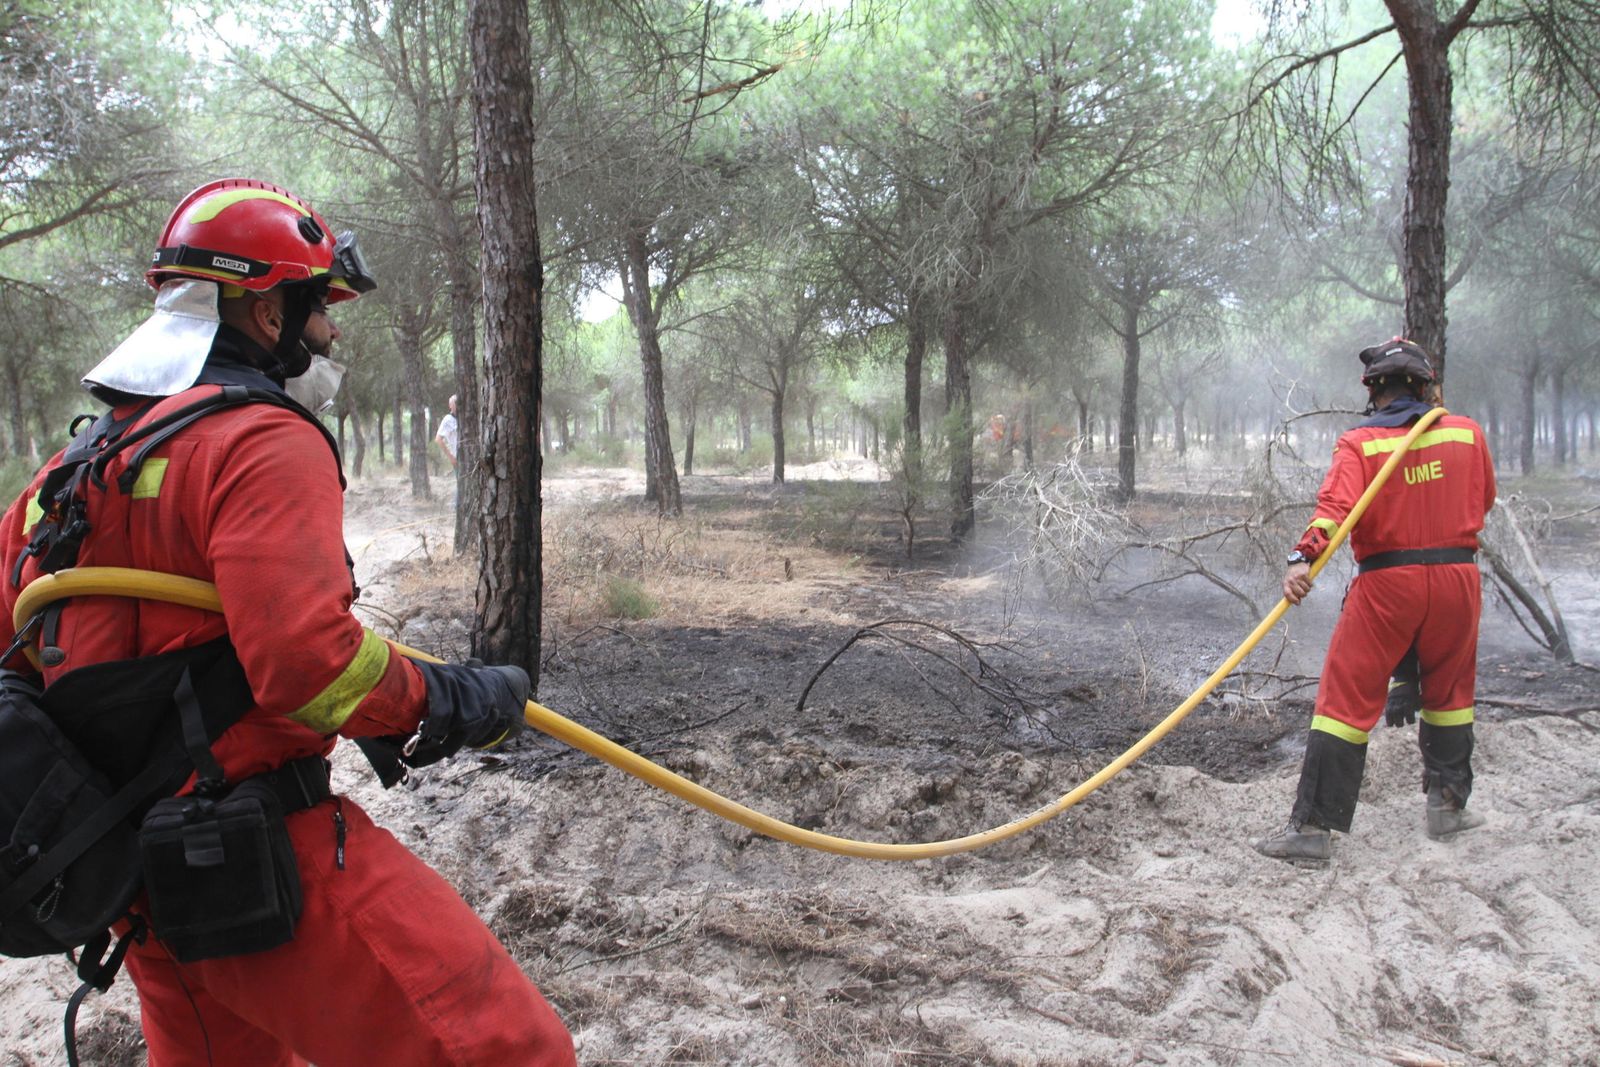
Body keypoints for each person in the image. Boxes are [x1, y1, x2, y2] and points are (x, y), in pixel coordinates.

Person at [0, 179, 575, 1066]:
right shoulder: (262, 440)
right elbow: (307, 666)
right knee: (510, 1048)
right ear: (266, 311)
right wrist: (443, 700)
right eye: (319, 310)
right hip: (269, 863)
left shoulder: (63, 476)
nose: (331, 334)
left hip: (141, 885)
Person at [1253, 337, 1497, 863]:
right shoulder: (1468, 434)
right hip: (1458, 581)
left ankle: (1313, 830)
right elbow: (1485, 499)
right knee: (1451, 694)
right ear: (1427, 386)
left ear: (1374, 390)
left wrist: (1302, 559)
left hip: (1388, 586)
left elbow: (1332, 511)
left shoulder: (1360, 443)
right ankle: (1448, 808)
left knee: (1345, 701)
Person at [435, 394, 459, 470]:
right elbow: (438, 439)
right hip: (458, 458)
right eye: (455, 403)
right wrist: (451, 457)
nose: (457, 405)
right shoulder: (448, 419)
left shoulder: (465, 418)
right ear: (450, 406)